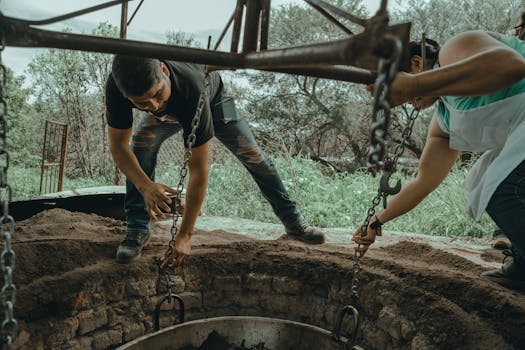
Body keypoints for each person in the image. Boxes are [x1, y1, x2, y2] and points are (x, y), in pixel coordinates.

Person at [106, 57, 325, 265]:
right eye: (141, 103)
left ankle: (293, 221)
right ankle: (136, 229)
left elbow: (199, 172)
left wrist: (184, 236)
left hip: (212, 101)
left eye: (157, 94)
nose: (153, 105)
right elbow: (119, 147)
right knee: (140, 148)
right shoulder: (118, 86)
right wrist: (145, 187)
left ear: (164, 71)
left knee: (253, 155)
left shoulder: (191, 86)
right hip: (172, 112)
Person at [353, 30, 525, 289]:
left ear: (416, 63)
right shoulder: (445, 121)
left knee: (502, 189)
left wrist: (414, 85)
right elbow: (424, 181)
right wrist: (377, 221)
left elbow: (512, 66)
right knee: (483, 184)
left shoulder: (454, 48)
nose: (400, 101)